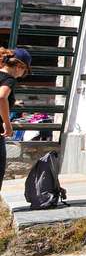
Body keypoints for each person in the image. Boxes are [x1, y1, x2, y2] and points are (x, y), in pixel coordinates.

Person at [0, 47, 32, 188]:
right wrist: (7, 123)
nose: (23, 74)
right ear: (20, 66)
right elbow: (1, 97)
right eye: (25, 71)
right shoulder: (10, 79)